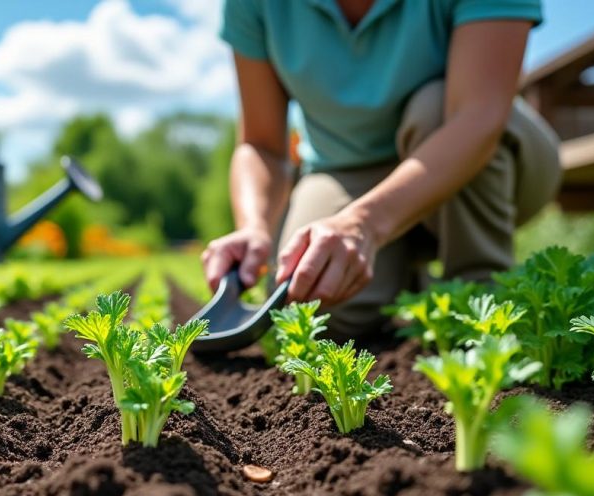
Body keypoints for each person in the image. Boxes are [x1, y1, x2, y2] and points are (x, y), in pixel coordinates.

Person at [201, 0, 562, 338]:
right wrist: (254, 226)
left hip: (478, 153)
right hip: (344, 170)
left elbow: (478, 116)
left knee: (433, 109)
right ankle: (411, 285)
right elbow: (261, 145)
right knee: (308, 304)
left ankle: (482, 296)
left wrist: (364, 225)